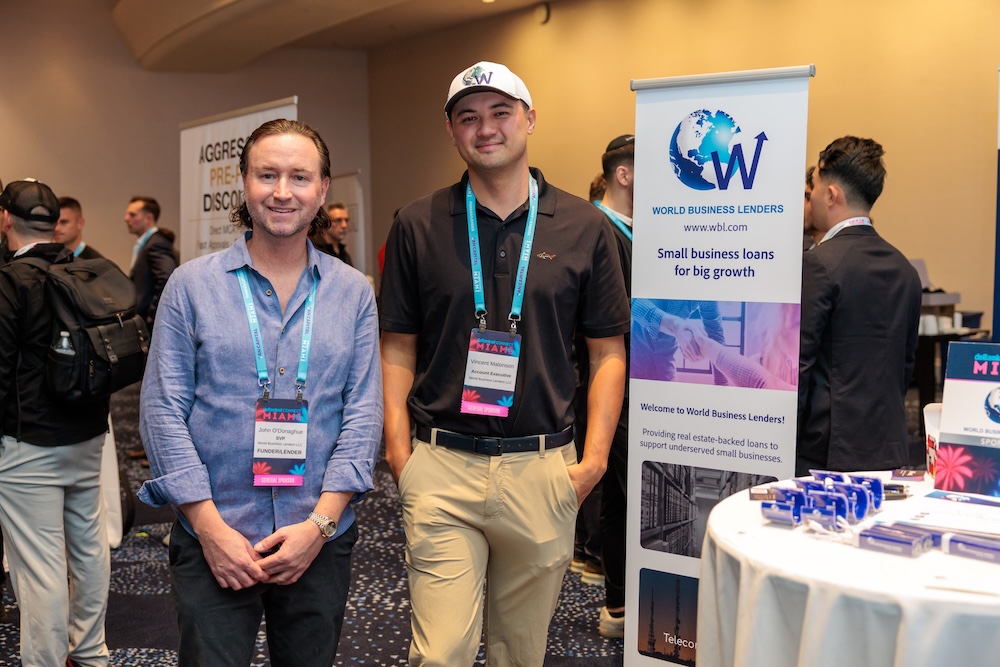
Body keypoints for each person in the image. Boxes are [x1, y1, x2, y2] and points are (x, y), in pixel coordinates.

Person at [380, 61, 629, 666]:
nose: (485, 128)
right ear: (451, 131)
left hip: (543, 469)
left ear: (530, 120)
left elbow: (607, 351)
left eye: (500, 113)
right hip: (441, 466)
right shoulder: (417, 223)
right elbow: (397, 346)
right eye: (468, 117)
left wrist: (593, 461)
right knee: (441, 655)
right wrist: (400, 454)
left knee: (520, 653)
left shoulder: (584, 226)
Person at [137, 119, 382, 666]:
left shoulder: (352, 292)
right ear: (244, 183)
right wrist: (209, 529)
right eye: (267, 175)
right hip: (215, 533)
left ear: (322, 189)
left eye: (300, 177)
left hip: (317, 536)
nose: (282, 192)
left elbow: (363, 415)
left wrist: (319, 527)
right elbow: (161, 411)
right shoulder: (191, 286)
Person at [0, 179, 111, 666]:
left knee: (40, 568)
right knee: (88, 550)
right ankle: (90, 655)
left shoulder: (10, 280)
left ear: (7, 219)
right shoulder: (83, 269)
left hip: (30, 446)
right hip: (87, 435)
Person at [797, 136, 922, 475]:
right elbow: (905, 365)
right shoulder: (905, 269)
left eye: (814, 188)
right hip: (889, 448)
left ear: (831, 194)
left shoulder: (819, 263)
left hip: (825, 453)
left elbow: (800, 363)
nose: (811, 198)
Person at [588, 133, 637, 638]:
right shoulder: (596, 230)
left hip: (648, 379)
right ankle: (618, 603)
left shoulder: (641, 232)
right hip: (609, 379)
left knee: (634, 491)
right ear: (624, 175)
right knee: (620, 493)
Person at [124, 196, 177, 329]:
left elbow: (167, 277)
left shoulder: (156, 244)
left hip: (151, 324)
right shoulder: (150, 243)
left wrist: (153, 313)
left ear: (149, 218)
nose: (126, 218)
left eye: (132, 215)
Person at [325, 201, 354, 266]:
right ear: (326, 223)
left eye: (346, 220)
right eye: (338, 220)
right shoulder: (316, 251)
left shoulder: (344, 254)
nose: (344, 225)